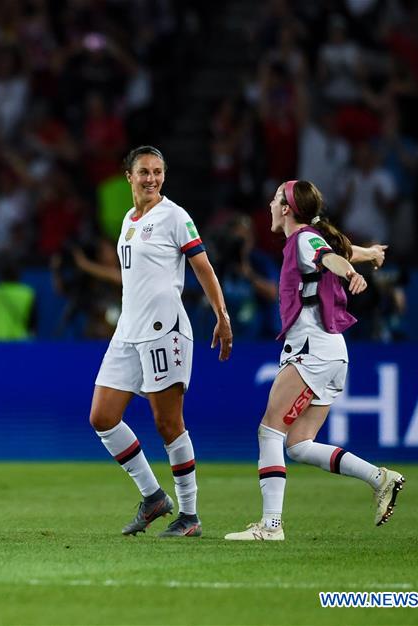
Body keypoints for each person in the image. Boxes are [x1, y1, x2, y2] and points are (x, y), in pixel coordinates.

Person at [225, 180, 404, 542]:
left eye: (276, 199)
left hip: (311, 349)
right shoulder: (311, 238)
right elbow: (337, 251)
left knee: (270, 430)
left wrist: (350, 272)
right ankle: (379, 477)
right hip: (333, 351)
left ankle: (271, 526)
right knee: (299, 444)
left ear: (287, 208)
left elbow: (330, 257)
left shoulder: (303, 239)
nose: (271, 204)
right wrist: (367, 254)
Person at [89, 146, 233, 538]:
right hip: (127, 331)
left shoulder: (175, 216)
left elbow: (203, 267)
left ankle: (190, 515)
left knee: (168, 423)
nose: (151, 178)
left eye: (157, 172)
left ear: (163, 177)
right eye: (143, 172)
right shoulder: (129, 220)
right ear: (129, 177)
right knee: (102, 417)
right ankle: (153, 497)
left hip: (163, 330)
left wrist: (222, 316)